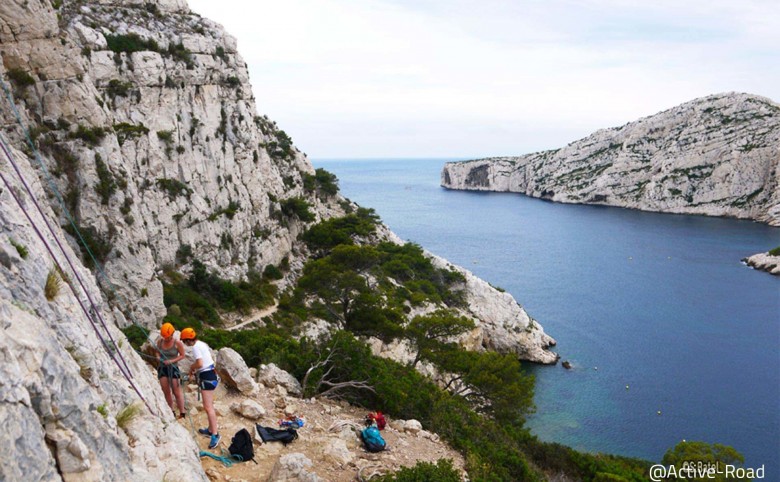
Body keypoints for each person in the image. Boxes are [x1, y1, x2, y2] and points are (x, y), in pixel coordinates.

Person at [180, 327, 220, 449]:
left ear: (188, 340)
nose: (183, 343)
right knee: (209, 406)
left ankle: (215, 434)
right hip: (210, 374)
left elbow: (200, 363)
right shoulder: (201, 344)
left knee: (208, 408)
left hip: (207, 376)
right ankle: (210, 429)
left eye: (183, 341)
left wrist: (192, 367)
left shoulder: (196, 347)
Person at [156, 322, 186, 419]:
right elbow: (157, 352)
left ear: (172, 334)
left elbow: (182, 355)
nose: (166, 339)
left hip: (173, 368)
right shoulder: (160, 342)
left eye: (168, 337)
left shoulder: (177, 343)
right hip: (163, 368)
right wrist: (158, 358)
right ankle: (171, 411)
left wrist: (171, 361)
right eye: (165, 337)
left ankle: (182, 412)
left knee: (176, 391)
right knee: (166, 391)